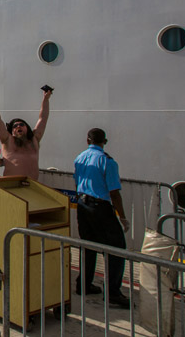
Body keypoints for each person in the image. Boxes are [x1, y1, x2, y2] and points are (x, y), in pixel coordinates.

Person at [74, 128, 131, 308]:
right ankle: (113, 292)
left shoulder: (79, 158)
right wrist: (122, 217)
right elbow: (114, 193)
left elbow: (77, 181)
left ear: (87, 140)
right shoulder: (107, 161)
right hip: (100, 206)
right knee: (117, 248)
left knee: (88, 245)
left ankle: (83, 285)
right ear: (104, 142)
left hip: (82, 205)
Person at [0, 88, 52, 180]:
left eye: (21, 125)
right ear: (11, 132)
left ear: (27, 128)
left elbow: (43, 118)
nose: (18, 126)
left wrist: (46, 99)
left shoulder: (34, 140)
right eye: (15, 126)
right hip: (11, 185)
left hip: (32, 185)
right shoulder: (7, 140)